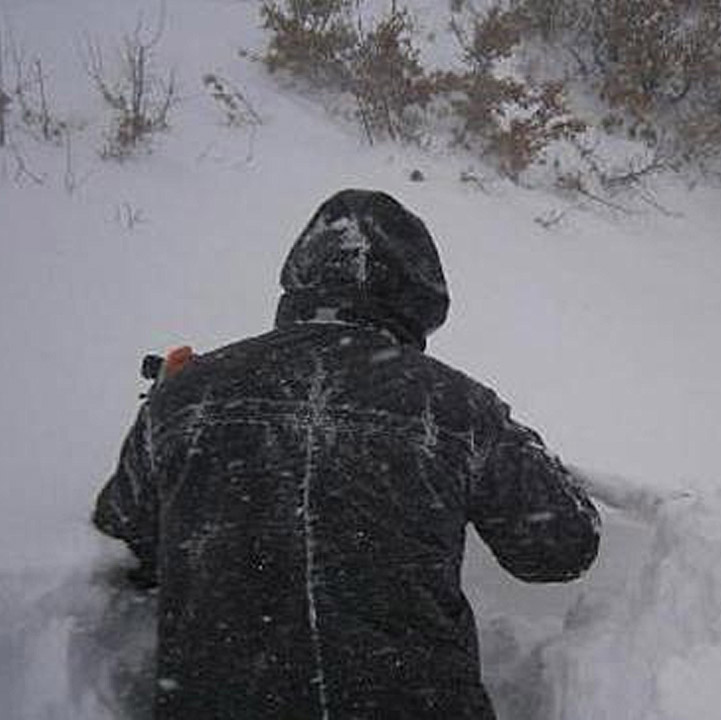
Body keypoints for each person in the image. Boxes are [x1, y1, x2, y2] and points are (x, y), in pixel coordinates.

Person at [92, 189, 601, 719]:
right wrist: (513, 438)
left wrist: (178, 408)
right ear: (420, 300)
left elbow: (129, 541)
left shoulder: (185, 395)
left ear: (299, 279)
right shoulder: (456, 406)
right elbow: (563, 548)